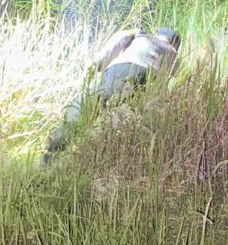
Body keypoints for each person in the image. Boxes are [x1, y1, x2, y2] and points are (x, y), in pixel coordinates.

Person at [44, 27, 181, 158]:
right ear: (175, 42)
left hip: (123, 68)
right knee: (116, 122)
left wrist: (97, 64)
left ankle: (52, 151)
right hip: (147, 84)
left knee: (87, 105)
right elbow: (165, 84)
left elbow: (115, 45)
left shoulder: (141, 36)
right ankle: (93, 155)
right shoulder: (175, 55)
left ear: (158, 34)